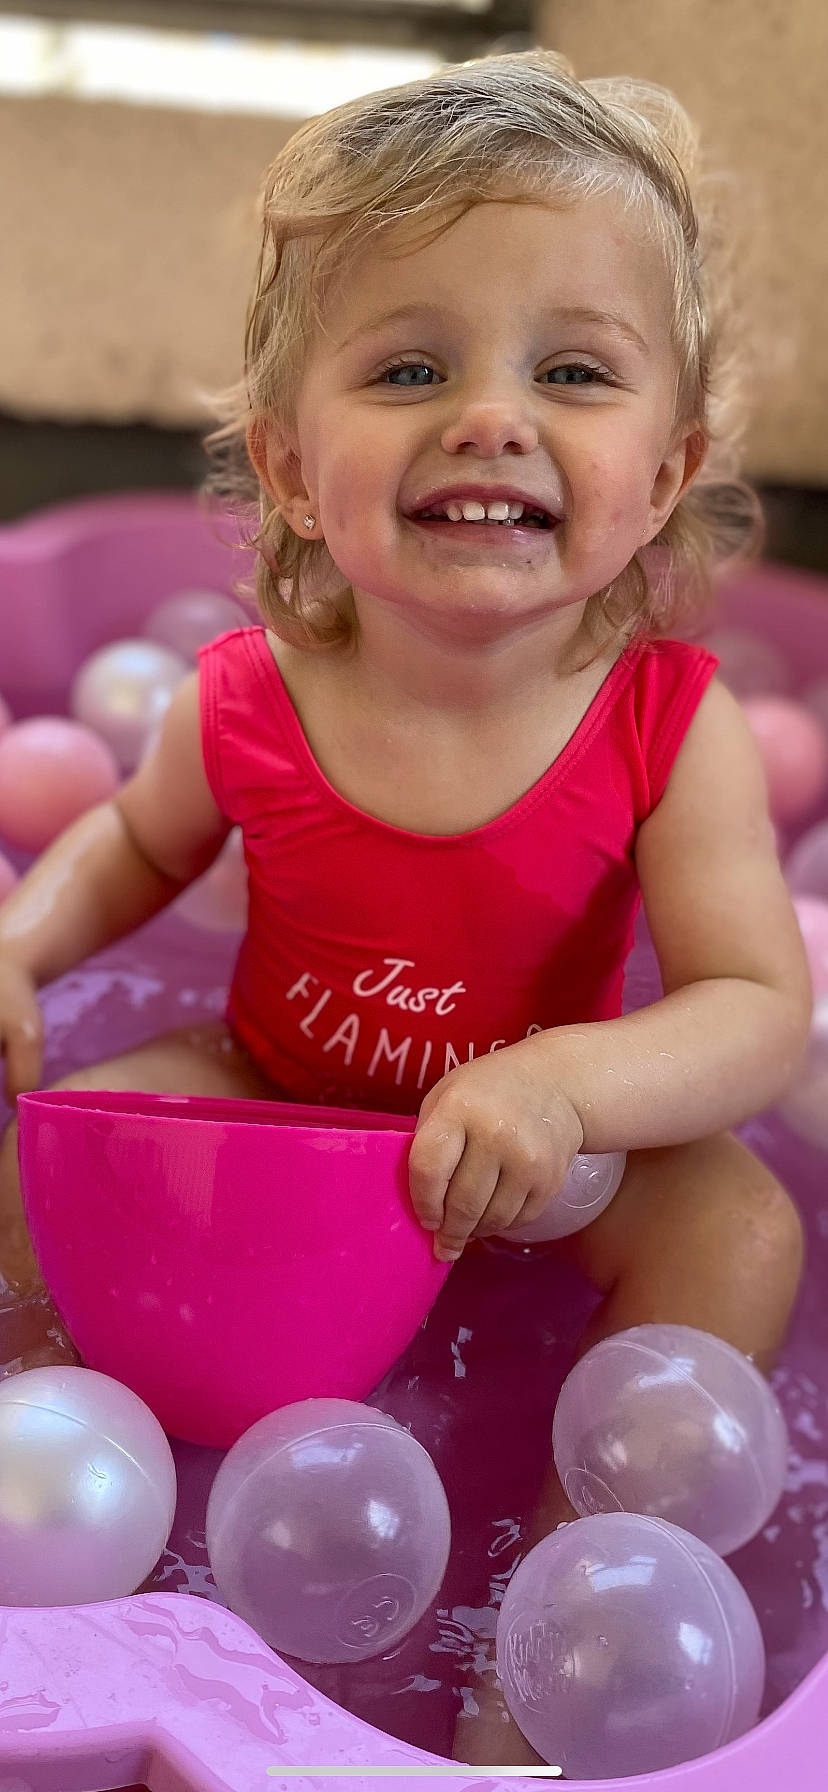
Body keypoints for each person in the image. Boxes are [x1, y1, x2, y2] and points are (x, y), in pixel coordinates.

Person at [0, 50, 812, 1763]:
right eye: (414, 364)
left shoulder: (668, 721)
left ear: (663, 474)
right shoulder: (250, 691)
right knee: (46, 1154)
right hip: (281, 1087)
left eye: (574, 370)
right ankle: (42, 1475)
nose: (492, 414)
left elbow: (753, 1000)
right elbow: (136, 853)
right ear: (297, 468)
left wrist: (565, 1086)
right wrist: (24, 948)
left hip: (541, 1150)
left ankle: (577, 1586)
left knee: (738, 1229)